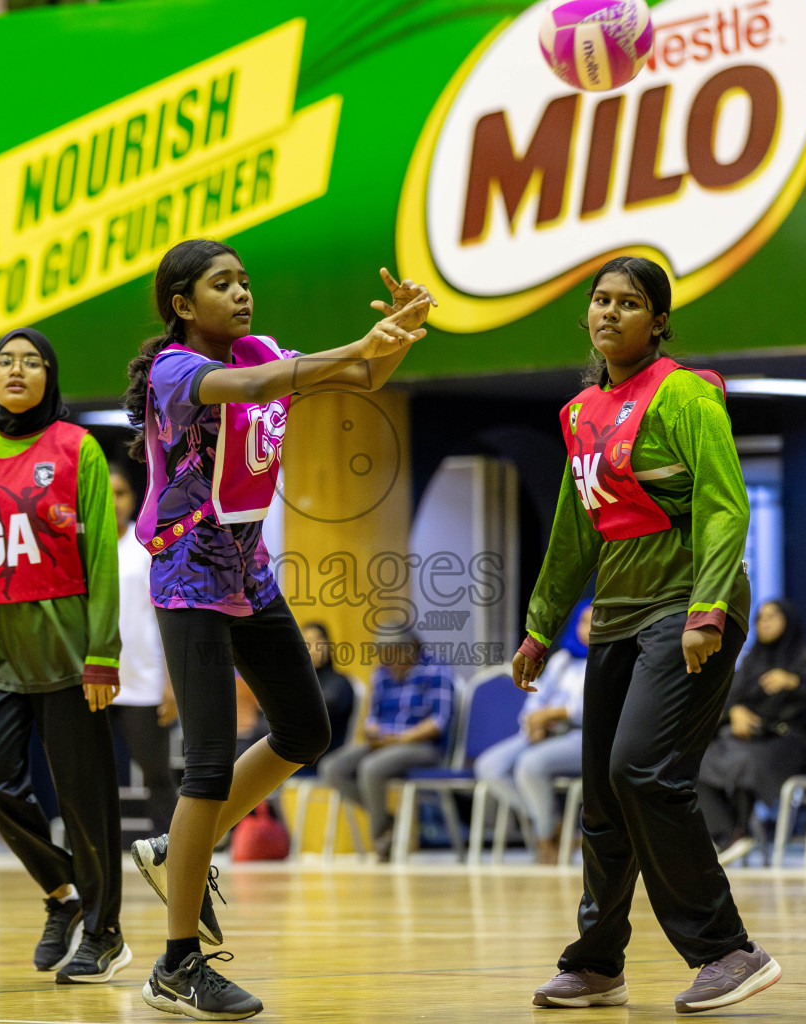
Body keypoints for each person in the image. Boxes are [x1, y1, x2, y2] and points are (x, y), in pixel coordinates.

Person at [121, 237, 431, 1020]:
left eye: (246, 280)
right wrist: (350, 348)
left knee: (306, 727)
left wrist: (387, 340)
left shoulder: (260, 346)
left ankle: (174, 850)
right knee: (209, 764)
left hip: (248, 571)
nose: (242, 293)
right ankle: (177, 963)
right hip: (187, 573)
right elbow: (257, 382)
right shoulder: (176, 371)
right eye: (222, 284)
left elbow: (360, 378)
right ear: (183, 305)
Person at [515, 256, 780, 1014]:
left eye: (629, 303)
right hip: (621, 614)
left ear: (657, 321)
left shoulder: (685, 395)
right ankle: (597, 963)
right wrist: (539, 628)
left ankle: (728, 950)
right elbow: (575, 533)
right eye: (600, 301)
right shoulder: (577, 416)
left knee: (643, 771)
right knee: (602, 796)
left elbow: (727, 507)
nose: (610, 313)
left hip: (691, 608)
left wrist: (705, 612)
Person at [0, 328, 128, 984]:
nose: (16, 370)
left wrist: (103, 652)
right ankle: (62, 891)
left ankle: (103, 934)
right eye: (4, 361)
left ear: (51, 374)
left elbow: (102, 555)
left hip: (72, 653)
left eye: (32, 361)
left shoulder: (78, 450)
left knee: (85, 799)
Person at [697, 599, 806, 865]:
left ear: (788, 620)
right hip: (751, 739)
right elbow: (728, 696)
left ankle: (739, 831)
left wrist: (794, 682)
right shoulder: (751, 659)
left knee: (747, 761)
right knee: (696, 762)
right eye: (760, 618)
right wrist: (734, 712)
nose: (765, 623)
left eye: (773, 616)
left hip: (793, 741)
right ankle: (728, 836)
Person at [317, 631, 456, 861]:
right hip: (384, 743)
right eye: (384, 656)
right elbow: (372, 718)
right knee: (332, 768)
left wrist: (402, 738)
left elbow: (439, 721)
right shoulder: (381, 674)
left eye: (394, 656)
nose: (389, 663)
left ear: (411, 649)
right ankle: (389, 823)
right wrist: (373, 732)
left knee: (371, 767)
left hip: (423, 746)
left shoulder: (436, 671)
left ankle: (381, 843)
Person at [473, 602, 589, 865]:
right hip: (544, 731)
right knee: (489, 766)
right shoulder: (562, 660)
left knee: (529, 765)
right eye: (584, 622)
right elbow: (536, 699)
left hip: (582, 735)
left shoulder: (609, 659)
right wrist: (534, 722)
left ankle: (545, 836)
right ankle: (553, 825)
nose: (589, 629)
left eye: (596, 622)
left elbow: (599, 707)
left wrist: (556, 714)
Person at [108, 459, 179, 836]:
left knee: (156, 775)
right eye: (106, 494)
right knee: (94, 777)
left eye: (120, 493)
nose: (114, 501)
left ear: (134, 498)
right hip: (96, 682)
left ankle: (173, 855)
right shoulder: (83, 549)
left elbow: (167, 616)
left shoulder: (147, 548)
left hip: (144, 682)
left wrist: (170, 682)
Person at [301, 621, 356, 766]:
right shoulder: (297, 683)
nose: (312, 647)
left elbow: (322, 710)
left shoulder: (339, 682)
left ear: (327, 644)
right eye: (306, 642)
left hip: (323, 756)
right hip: (293, 751)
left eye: (316, 640)